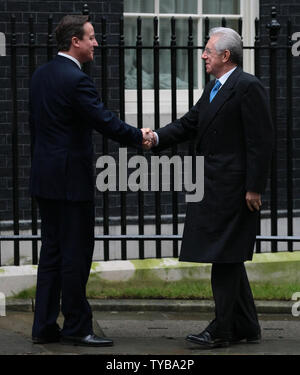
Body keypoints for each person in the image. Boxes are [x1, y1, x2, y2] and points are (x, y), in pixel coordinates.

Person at [146, 27, 273, 348]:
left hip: (234, 189)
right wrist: (155, 138)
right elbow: (190, 123)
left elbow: (261, 141)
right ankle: (246, 325)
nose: (203, 55)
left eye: (208, 50)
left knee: (224, 258)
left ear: (225, 56)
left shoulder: (247, 87)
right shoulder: (215, 88)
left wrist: (254, 187)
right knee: (228, 256)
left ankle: (223, 329)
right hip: (213, 186)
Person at [29, 15, 152, 347]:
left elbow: (36, 127)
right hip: (71, 182)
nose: (96, 43)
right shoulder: (76, 80)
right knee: (75, 255)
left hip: (45, 178)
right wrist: (138, 136)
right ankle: (77, 327)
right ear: (75, 42)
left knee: (52, 253)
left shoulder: (40, 75)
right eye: (91, 37)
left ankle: (42, 326)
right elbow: (103, 120)